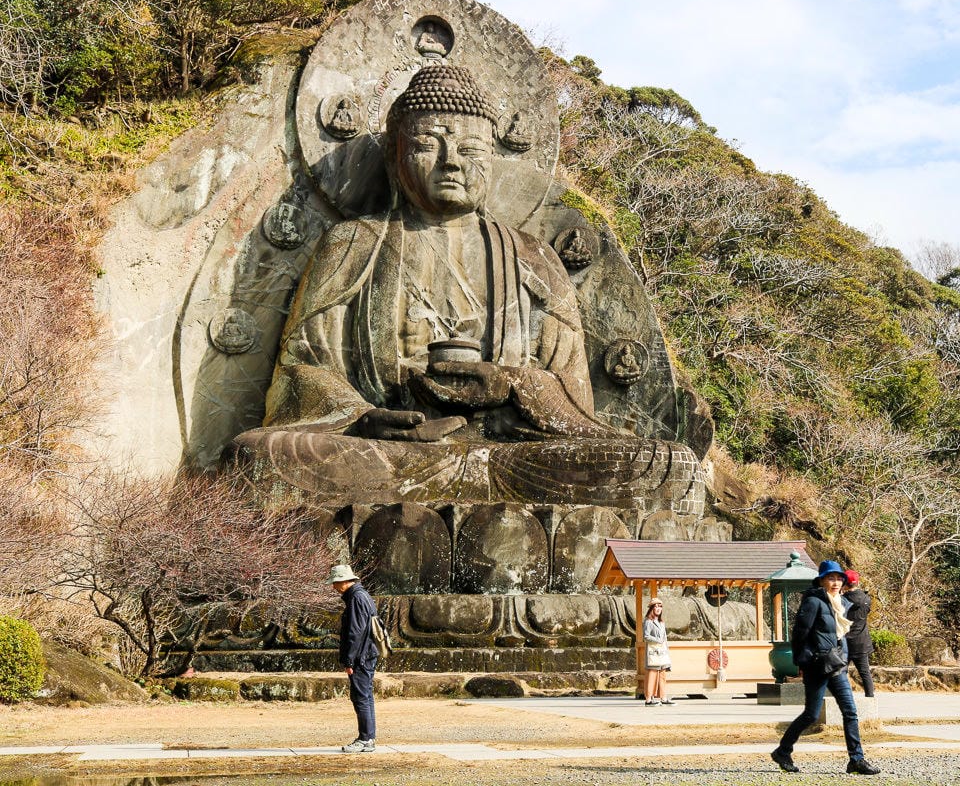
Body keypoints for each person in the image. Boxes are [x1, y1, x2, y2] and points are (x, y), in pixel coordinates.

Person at [230, 64, 701, 513]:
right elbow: (302, 369)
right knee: (266, 455)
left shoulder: (534, 258)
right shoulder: (354, 242)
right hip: (384, 454)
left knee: (664, 465)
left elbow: (574, 400)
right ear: (396, 158)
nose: (449, 161)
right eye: (427, 144)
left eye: (471, 150)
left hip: (508, 455)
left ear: (492, 161)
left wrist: (513, 385)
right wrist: (361, 417)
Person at [770, 560, 880, 776]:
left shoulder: (841, 603)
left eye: (839, 578)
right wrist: (803, 662)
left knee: (850, 711)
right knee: (811, 715)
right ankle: (783, 751)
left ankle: (856, 759)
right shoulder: (813, 602)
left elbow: (840, 636)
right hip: (817, 666)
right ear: (821, 580)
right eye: (831, 578)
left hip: (837, 664)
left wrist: (844, 655)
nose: (836, 582)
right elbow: (799, 635)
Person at [327, 564, 379, 753]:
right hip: (367, 652)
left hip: (361, 656)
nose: (334, 587)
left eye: (335, 583)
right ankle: (368, 737)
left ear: (344, 581)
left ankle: (365, 738)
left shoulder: (356, 598)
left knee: (360, 697)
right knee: (365, 695)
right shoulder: (362, 595)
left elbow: (355, 632)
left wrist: (349, 660)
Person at [843, 569, 875, 698]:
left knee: (840, 673)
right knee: (865, 673)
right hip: (861, 641)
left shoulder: (842, 601)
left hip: (845, 642)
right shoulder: (866, 599)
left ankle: (844, 699)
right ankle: (870, 698)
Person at [642, 597, 675, 706]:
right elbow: (646, 636)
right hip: (653, 652)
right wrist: (658, 640)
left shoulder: (661, 622)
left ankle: (663, 698)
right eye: (656, 606)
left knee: (662, 675)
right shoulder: (648, 621)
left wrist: (666, 649)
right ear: (651, 608)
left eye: (660, 606)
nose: (658, 608)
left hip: (662, 652)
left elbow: (664, 638)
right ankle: (648, 699)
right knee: (652, 675)